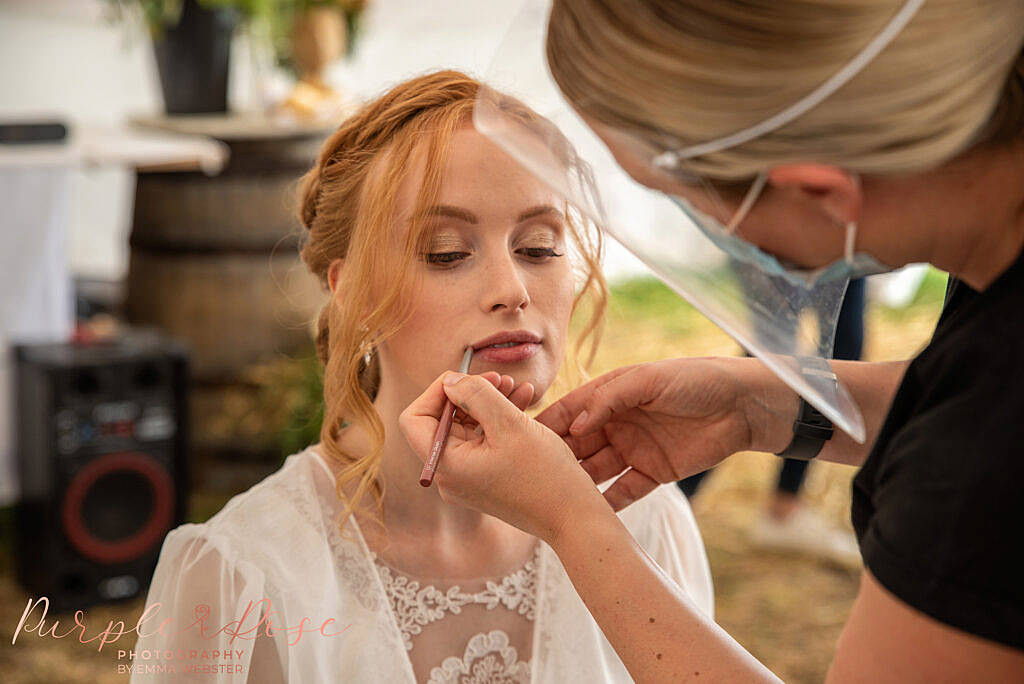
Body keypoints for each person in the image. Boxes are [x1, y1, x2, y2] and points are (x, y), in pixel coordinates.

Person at [398, 1, 1024, 681]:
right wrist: (759, 405)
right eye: (445, 251)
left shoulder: (975, 478)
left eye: (688, 202)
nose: (510, 289)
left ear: (818, 191)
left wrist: (576, 526)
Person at [130, 71, 714, 683]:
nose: (512, 290)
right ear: (349, 291)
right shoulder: (240, 576)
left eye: (539, 246)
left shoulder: (645, 521)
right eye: (446, 252)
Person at [678, 277, 865, 567]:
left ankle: (784, 505)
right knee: (773, 348)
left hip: (846, 245)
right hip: (799, 236)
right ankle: (677, 492)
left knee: (838, 352)